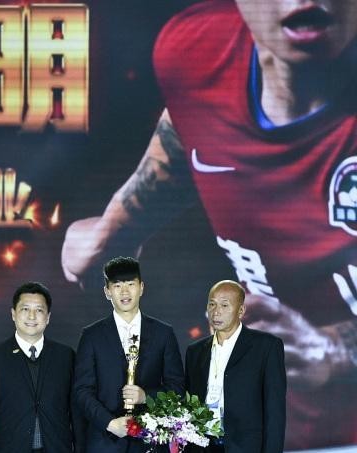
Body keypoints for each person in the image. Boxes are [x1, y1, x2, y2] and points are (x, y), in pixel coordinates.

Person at [62, 0, 357, 447]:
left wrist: (332, 353)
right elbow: (191, 122)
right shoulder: (196, 50)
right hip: (274, 426)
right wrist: (114, 229)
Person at [74, 256, 184, 452]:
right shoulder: (91, 335)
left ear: (141, 287)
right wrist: (110, 423)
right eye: (117, 286)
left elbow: (177, 388)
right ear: (107, 291)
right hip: (105, 442)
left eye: (131, 284)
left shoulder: (163, 333)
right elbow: (82, 391)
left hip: (150, 442)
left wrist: (145, 396)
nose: (124, 292)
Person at [0, 282, 84, 453]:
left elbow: (77, 414)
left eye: (39, 310)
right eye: (25, 309)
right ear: (13, 314)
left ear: (48, 317)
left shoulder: (66, 356)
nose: (32, 316)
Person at [185, 280, 286, 453]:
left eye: (224, 305)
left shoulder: (266, 347)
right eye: (212, 304)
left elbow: (275, 412)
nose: (216, 312)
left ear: (241, 310)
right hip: (203, 447)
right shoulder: (195, 351)